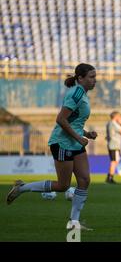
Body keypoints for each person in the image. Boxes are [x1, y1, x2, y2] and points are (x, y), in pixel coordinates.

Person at [6, 63, 97, 230]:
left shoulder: (82, 94)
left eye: (95, 76)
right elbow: (60, 119)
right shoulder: (76, 93)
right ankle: (22, 188)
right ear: (80, 78)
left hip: (75, 142)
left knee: (84, 180)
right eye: (91, 77)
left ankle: (74, 222)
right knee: (63, 185)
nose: (94, 80)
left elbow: (73, 121)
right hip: (62, 143)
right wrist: (79, 137)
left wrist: (86, 134)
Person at [106, 111, 121, 184]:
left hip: (111, 145)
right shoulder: (114, 124)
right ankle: (110, 177)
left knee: (115, 160)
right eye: (119, 116)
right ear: (116, 117)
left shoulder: (109, 123)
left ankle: (109, 176)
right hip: (114, 145)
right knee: (114, 161)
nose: (120, 117)